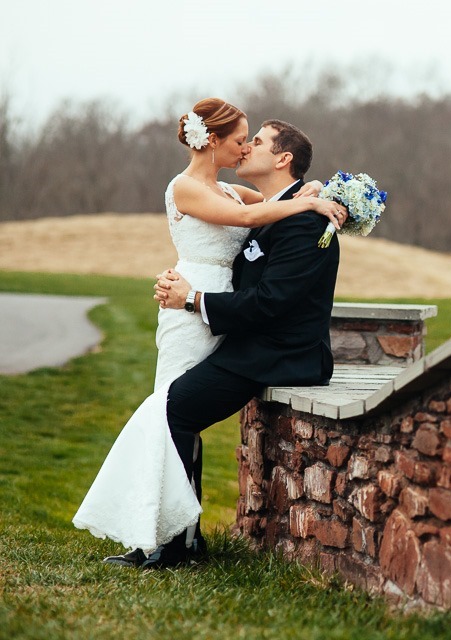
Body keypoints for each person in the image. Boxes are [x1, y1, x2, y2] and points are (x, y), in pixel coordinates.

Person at [73, 99, 346, 567]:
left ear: (281, 159)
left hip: (257, 341)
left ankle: (178, 540)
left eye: (253, 141)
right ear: (213, 140)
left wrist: (311, 195)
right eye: (242, 139)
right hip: (211, 322)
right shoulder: (202, 191)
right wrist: (310, 197)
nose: (245, 148)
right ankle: (176, 539)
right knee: (171, 412)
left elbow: (270, 281)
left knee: (171, 413)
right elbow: (253, 223)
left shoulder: (284, 215)